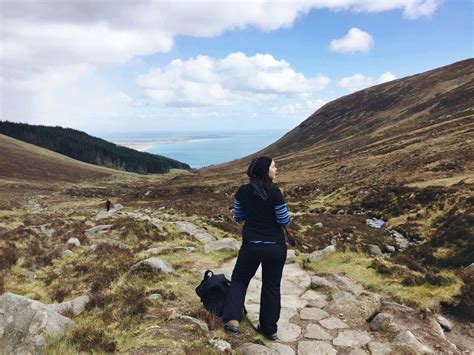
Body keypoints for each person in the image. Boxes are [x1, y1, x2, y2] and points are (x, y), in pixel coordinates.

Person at [222, 156, 291, 340]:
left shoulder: (243, 192)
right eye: (274, 167)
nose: (276, 170)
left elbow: (238, 216)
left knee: (239, 280)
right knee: (271, 286)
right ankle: (269, 329)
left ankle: (232, 320)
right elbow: (284, 221)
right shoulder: (275, 192)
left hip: (251, 246)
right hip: (275, 247)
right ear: (265, 171)